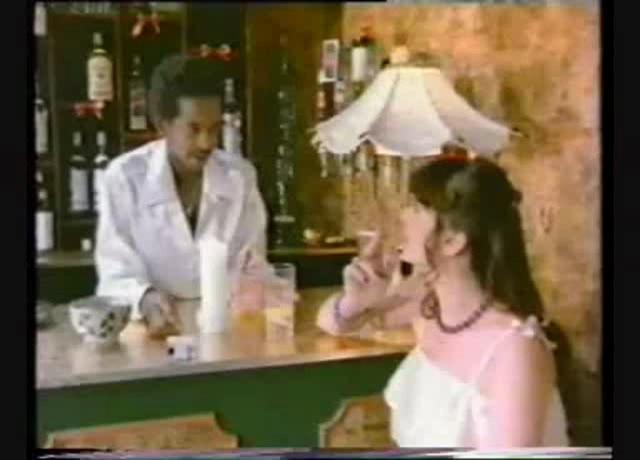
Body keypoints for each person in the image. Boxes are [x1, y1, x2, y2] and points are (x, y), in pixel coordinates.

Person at [316, 155, 571, 448]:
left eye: (418, 208)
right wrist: (356, 301)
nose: (404, 215)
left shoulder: (514, 350)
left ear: (452, 242)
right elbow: (331, 324)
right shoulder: (428, 306)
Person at [95, 55, 271, 337]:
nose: (207, 143)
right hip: (152, 333)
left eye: (214, 129)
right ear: (163, 125)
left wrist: (255, 290)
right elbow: (115, 271)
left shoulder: (239, 176)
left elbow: (253, 264)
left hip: (227, 327)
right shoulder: (125, 177)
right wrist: (145, 298)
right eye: (194, 129)